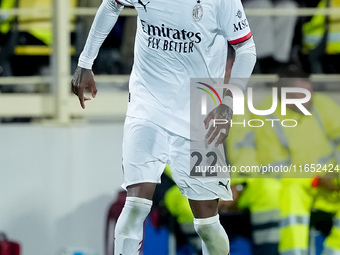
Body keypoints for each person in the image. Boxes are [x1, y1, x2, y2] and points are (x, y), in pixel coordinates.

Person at [71, 0, 256, 254]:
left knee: (207, 224)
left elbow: (246, 47)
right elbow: (111, 5)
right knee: (135, 204)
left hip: (200, 109)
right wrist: (85, 62)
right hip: (148, 105)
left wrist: (228, 103)